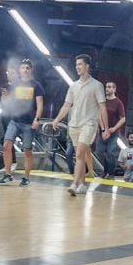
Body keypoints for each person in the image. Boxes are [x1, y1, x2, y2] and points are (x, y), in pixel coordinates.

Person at [48, 53, 107, 196]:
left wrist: (105, 128)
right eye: (76, 65)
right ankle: (81, 184)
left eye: (80, 64)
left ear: (87, 66)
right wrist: (56, 119)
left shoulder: (97, 86)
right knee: (78, 156)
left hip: (89, 124)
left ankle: (74, 183)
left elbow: (103, 108)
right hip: (74, 125)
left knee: (80, 153)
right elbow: (66, 105)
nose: (77, 67)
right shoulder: (73, 86)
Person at [0, 59, 43, 187]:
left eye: (28, 68)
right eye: (23, 68)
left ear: (30, 70)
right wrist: (4, 97)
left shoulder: (36, 85)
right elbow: (7, 101)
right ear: (20, 70)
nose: (25, 70)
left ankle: (26, 177)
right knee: (6, 145)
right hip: (15, 120)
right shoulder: (15, 84)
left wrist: (37, 119)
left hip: (29, 122)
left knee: (27, 150)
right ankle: (7, 174)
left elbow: (39, 104)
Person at [96, 80, 127, 179]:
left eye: (109, 87)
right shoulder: (102, 101)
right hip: (102, 131)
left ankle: (111, 173)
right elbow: (98, 115)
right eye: (106, 87)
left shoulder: (118, 102)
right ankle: (105, 170)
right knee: (99, 152)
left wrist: (114, 128)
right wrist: (103, 128)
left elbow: (123, 119)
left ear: (114, 89)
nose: (107, 89)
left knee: (111, 152)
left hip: (113, 133)